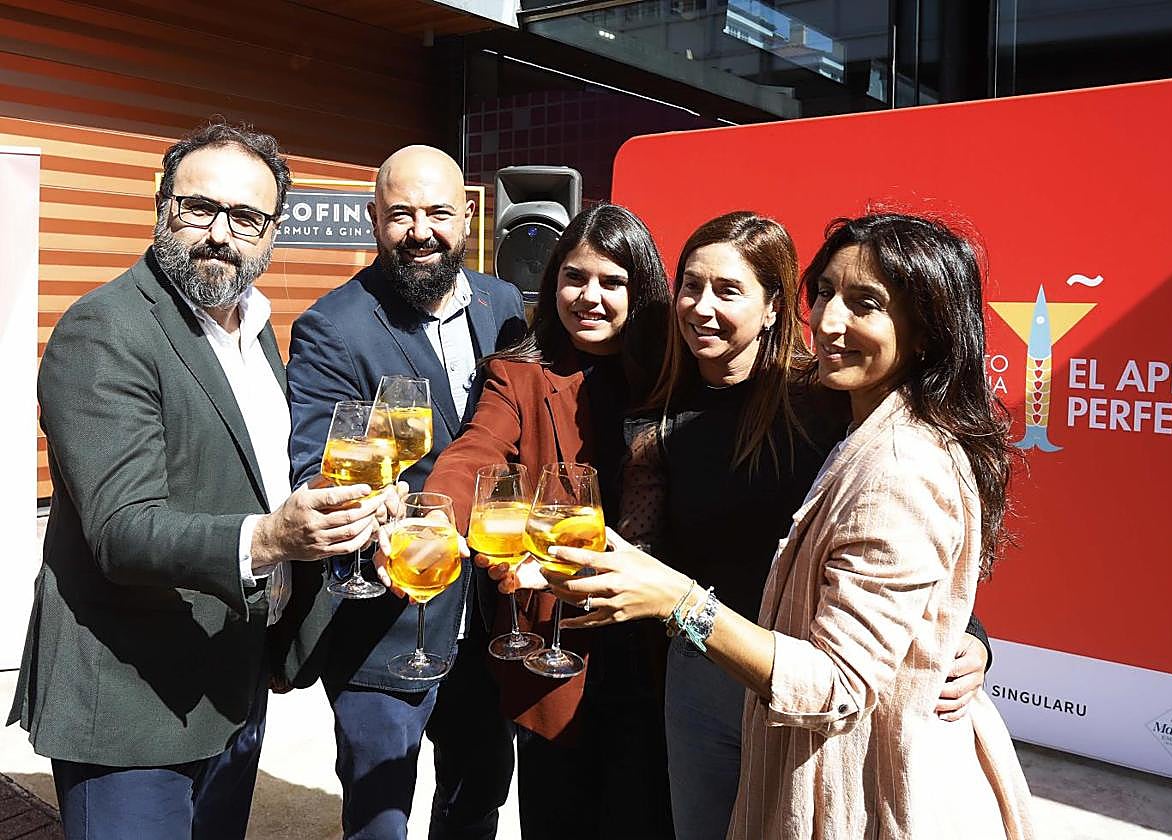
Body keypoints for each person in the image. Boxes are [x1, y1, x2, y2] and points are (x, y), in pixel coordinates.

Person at [550, 212, 1035, 839]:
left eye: (728, 290)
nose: (701, 308)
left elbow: (899, 553)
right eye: (690, 286)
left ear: (773, 306)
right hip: (704, 668)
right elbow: (645, 551)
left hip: (800, 667)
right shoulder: (659, 417)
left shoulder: (831, 401)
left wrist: (967, 634)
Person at [8, 122, 388, 840]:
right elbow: (122, 529)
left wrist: (345, 502)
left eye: (246, 217)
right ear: (162, 207)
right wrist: (272, 537)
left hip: (230, 681)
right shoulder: (105, 329)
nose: (220, 234)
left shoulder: (254, 327)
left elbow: (247, 471)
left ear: (271, 232)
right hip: (131, 702)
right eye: (200, 208)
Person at [280, 145, 526, 839]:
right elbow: (315, 465)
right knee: (378, 818)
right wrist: (361, 501)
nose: (420, 231)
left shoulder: (505, 305)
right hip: (384, 625)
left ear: (469, 216)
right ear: (373, 219)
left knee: (477, 801)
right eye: (400, 215)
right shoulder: (335, 326)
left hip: (490, 615)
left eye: (438, 213)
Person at [420, 203, 674, 839]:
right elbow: (475, 451)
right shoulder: (521, 372)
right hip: (559, 640)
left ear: (641, 289)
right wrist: (436, 520)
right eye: (574, 277)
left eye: (612, 281)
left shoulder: (676, 373)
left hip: (662, 648)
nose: (589, 297)